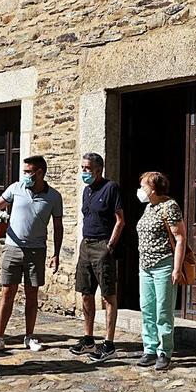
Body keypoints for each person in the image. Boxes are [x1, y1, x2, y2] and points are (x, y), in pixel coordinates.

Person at [0, 155, 64, 354]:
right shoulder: (16, 188)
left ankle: (29, 336)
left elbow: (58, 226)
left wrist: (56, 254)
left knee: (32, 295)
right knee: (7, 293)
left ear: (39, 173)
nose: (24, 175)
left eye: (28, 172)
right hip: (12, 249)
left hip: (36, 251)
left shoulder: (54, 197)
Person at [69, 152, 125, 362]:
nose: (84, 172)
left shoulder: (111, 188)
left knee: (108, 295)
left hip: (103, 245)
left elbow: (120, 220)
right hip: (86, 244)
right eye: (82, 168)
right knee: (85, 293)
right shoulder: (86, 190)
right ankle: (88, 338)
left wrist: (110, 245)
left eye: (88, 169)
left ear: (98, 169)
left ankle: (109, 344)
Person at [134, 171, 187, 371]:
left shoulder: (169, 206)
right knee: (147, 309)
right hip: (145, 267)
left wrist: (176, 268)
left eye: (143, 186)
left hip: (164, 265)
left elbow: (180, 238)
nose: (140, 190)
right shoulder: (149, 207)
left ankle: (165, 351)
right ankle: (149, 348)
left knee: (163, 311)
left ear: (154, 189)